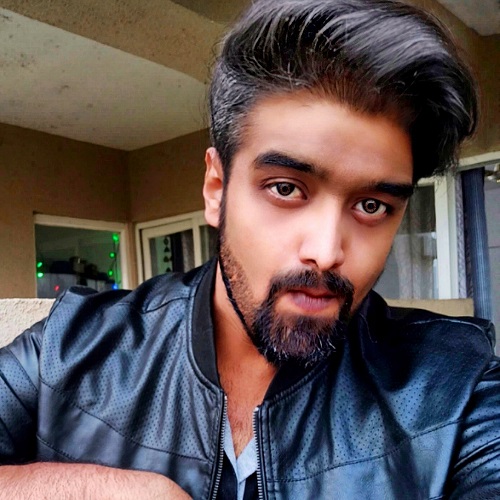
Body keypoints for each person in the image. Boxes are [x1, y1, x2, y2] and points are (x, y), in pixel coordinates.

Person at [0, 0, 498, 498]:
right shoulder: (69, 349)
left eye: (372, 205)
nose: (326, 251)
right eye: (286, 188)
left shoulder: (456, 390)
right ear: (216, 189)